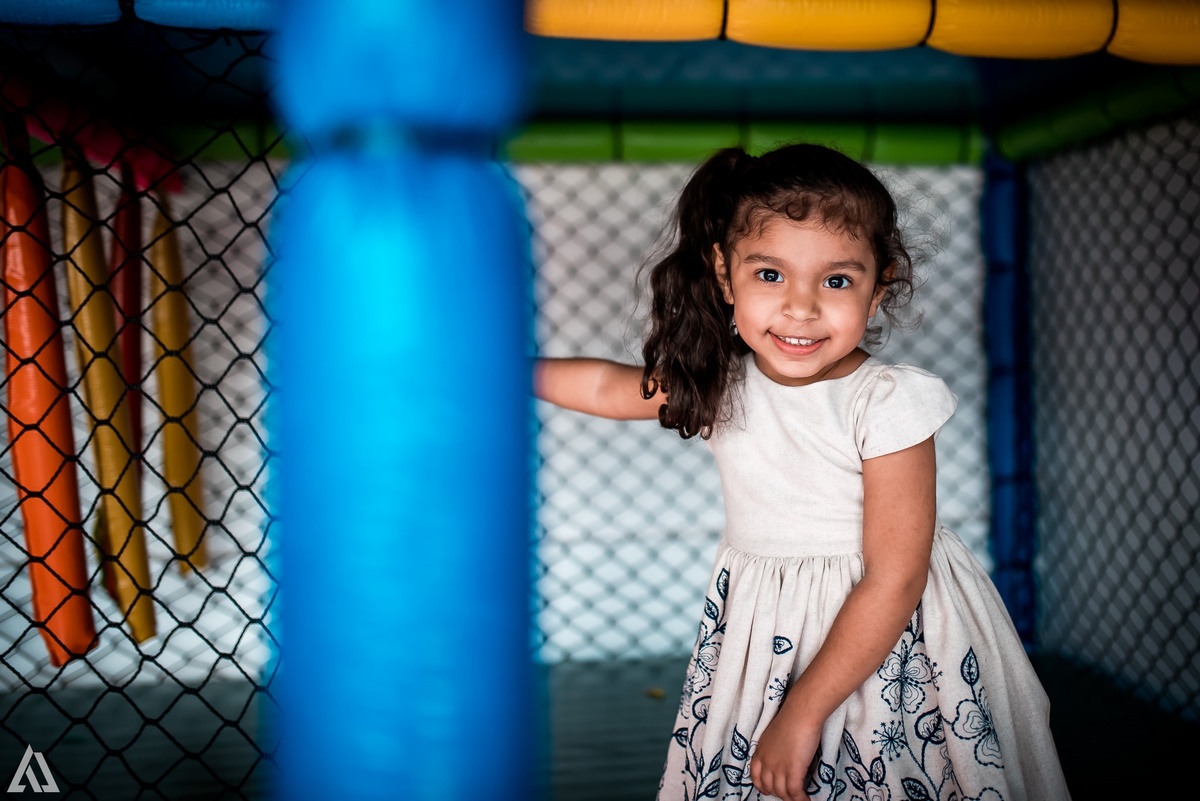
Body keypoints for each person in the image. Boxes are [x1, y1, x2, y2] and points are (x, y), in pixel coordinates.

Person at [534, 143, 1070, 801]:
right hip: (767, 630)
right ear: (725, 275)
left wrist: (804, 709)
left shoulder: (887, 400)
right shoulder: (721, 385)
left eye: (837, 280)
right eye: (770, 276)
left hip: (886, 634)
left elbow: (895, 576)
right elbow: (603, 387)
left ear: (881, 285)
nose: (800, 308)